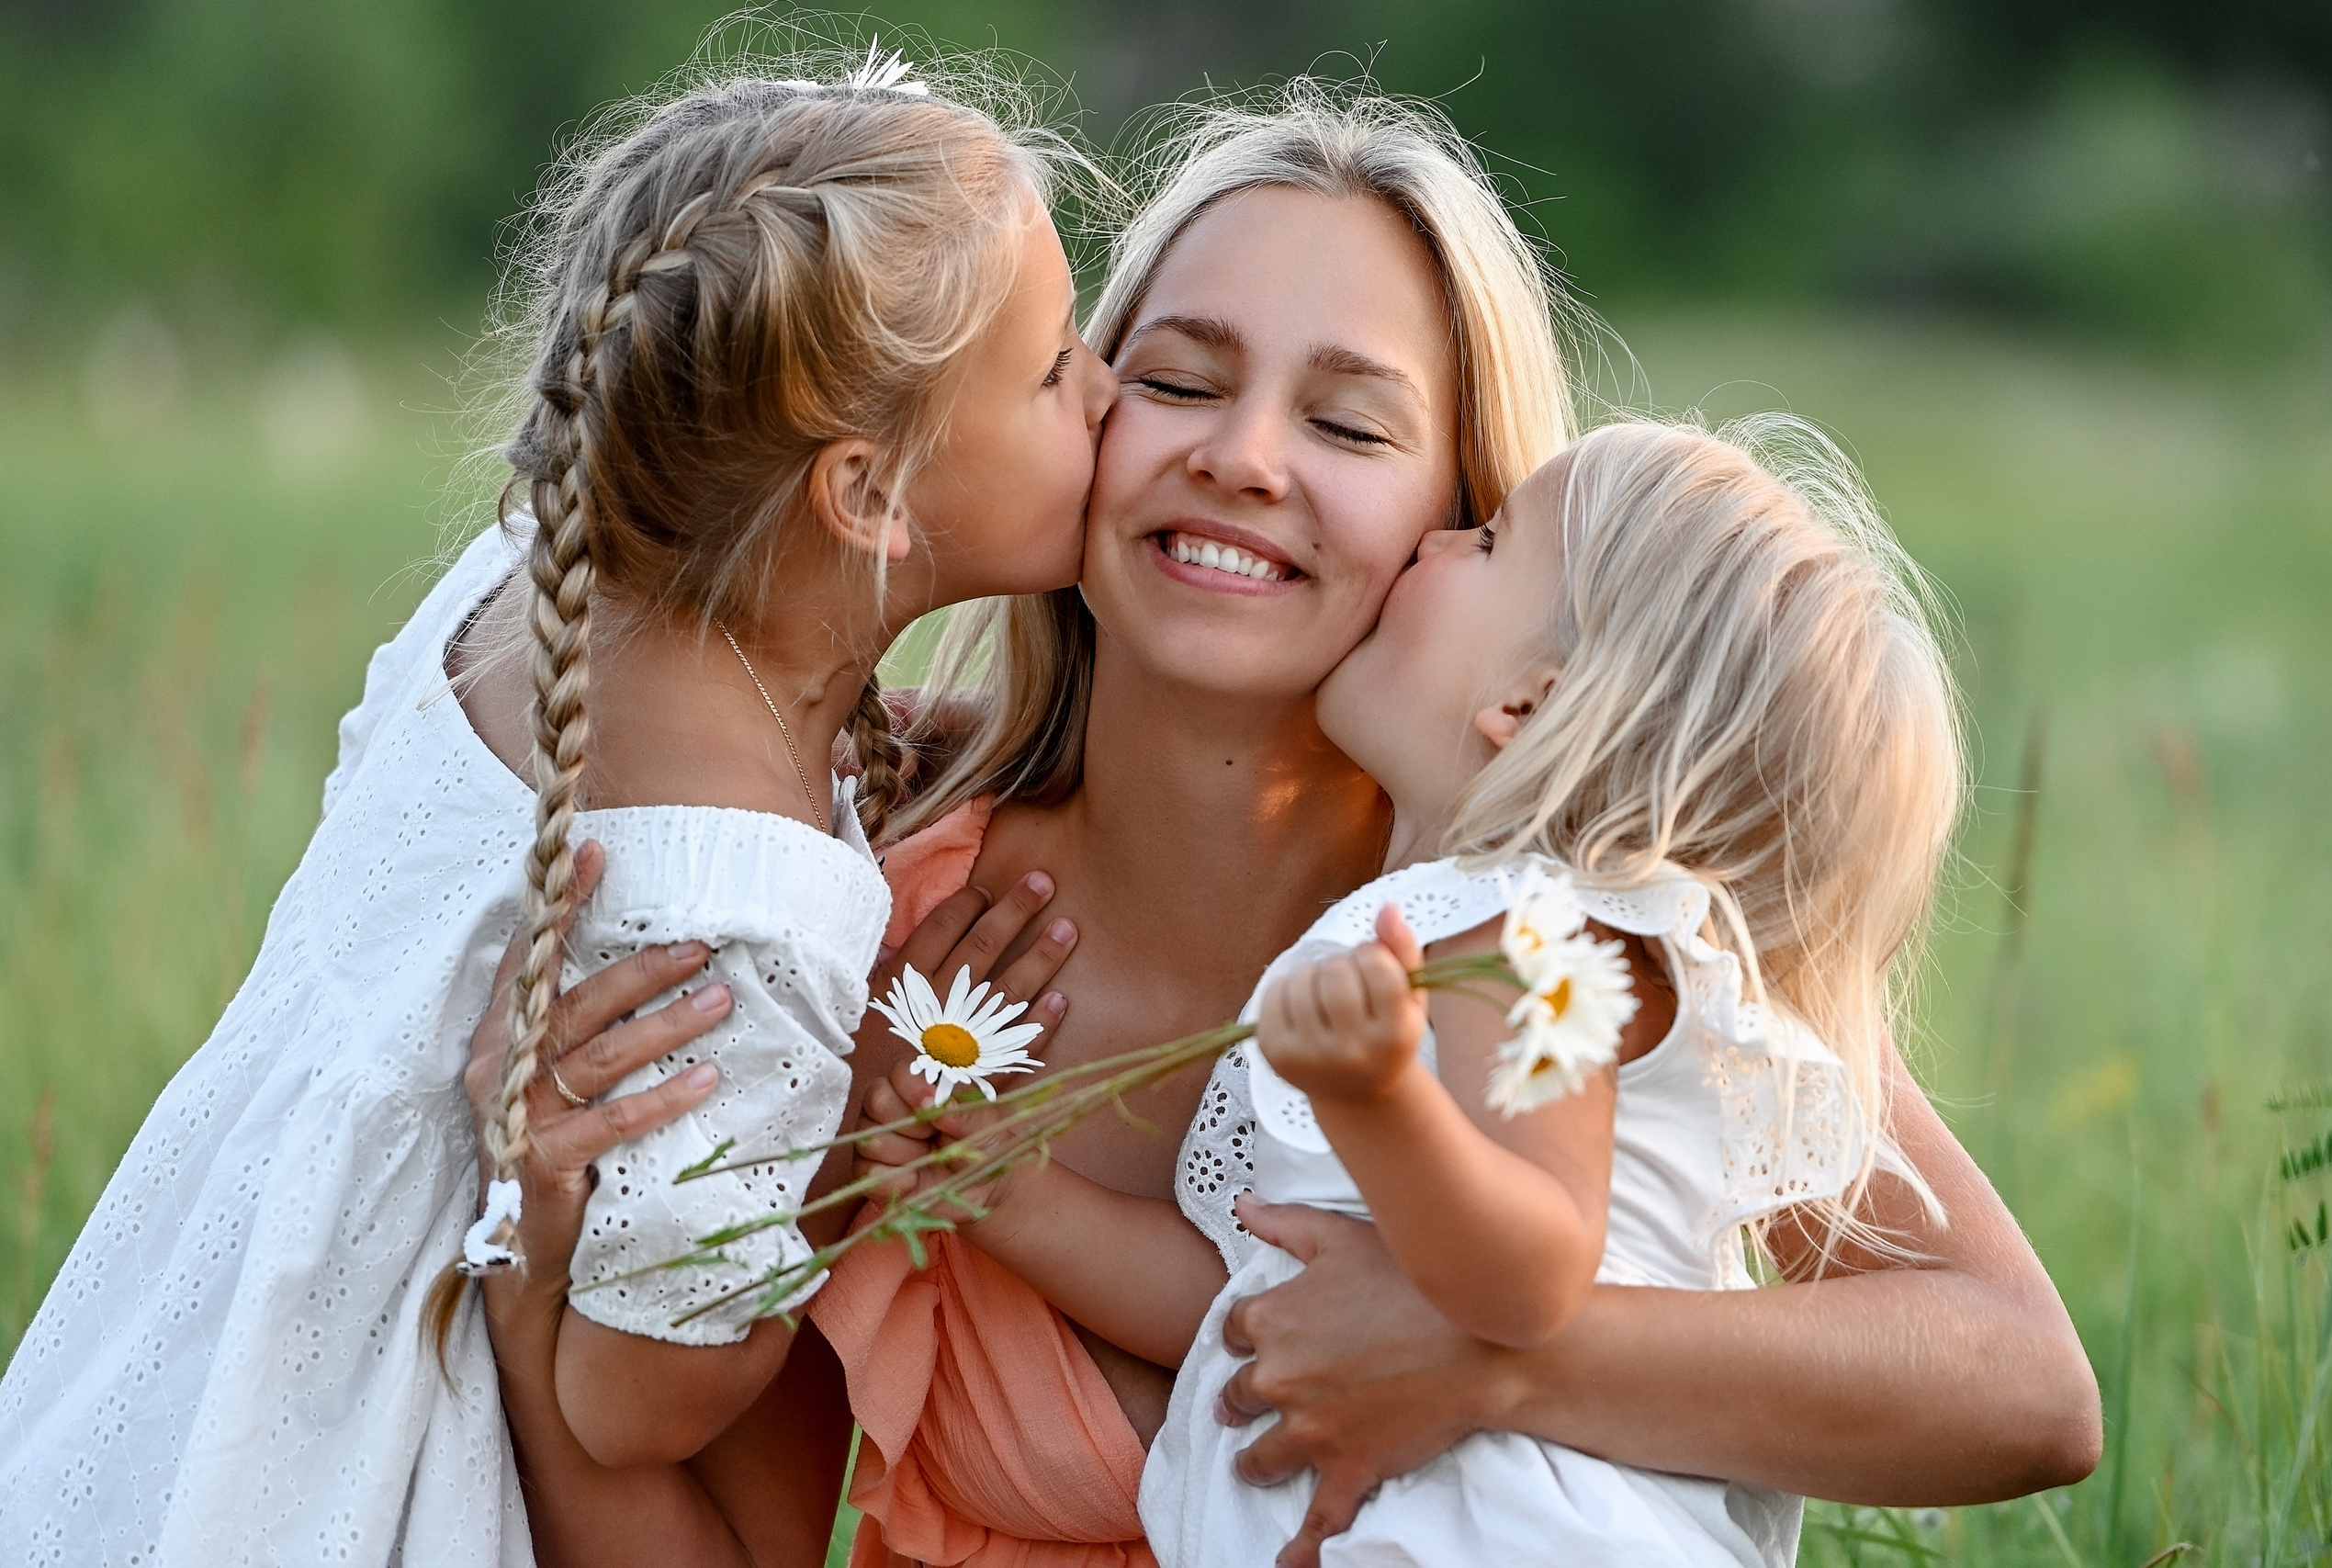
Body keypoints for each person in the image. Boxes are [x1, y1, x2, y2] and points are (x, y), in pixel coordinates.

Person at [473, 80, 2099, 1568]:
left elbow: (2024, 1387)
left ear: (1464, 521)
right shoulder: (892, 940)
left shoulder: (1566, 917)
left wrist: (1490, 1351)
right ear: (1070, 421)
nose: (1242, 457)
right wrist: (533, 1282)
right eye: (1172, 380)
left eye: (1350, 423)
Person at [0, 47, 1113, 1567]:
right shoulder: (744, 917)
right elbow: (642, 1405)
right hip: (361, 1484)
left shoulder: (532, 592)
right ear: (869, 497)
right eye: (1058, 369)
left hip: (170, 1390)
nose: (1106, 388)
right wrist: (839, 1138)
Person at [1126, 413, 1964, 1566]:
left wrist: (1381, 1100)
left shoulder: (1521, 935)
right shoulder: (1491, 927)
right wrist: (996, 1200)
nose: (1432, 544)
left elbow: (1530, 1282)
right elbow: (1257, 1303)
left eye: (1482, 542)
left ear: (1529, 702)